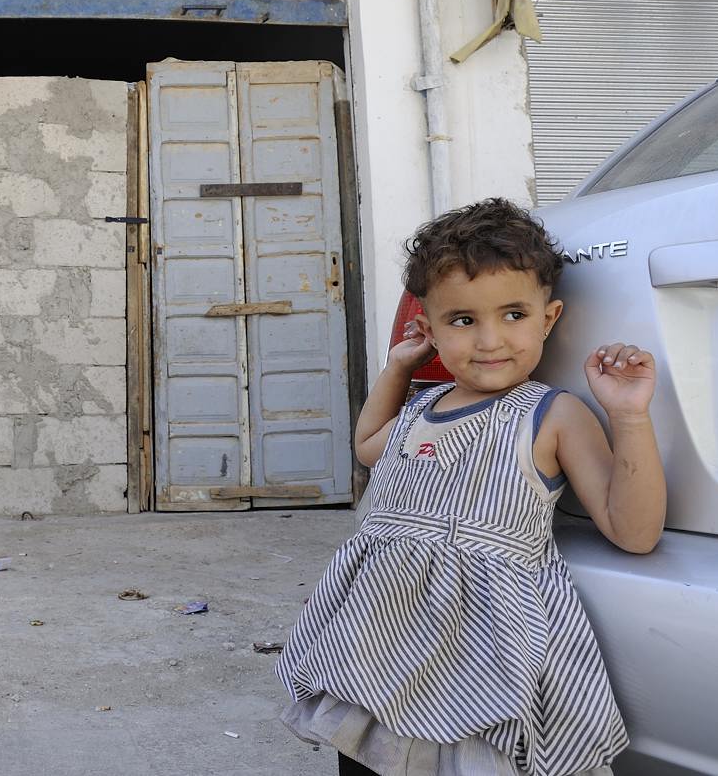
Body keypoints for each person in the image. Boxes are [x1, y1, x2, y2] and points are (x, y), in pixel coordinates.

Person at [275, 197, 666, 776]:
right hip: (379, 642)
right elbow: (368, 447)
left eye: (513, 315)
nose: (489, 341)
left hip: (479, 654)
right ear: (429, 328)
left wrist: (629, 417)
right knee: (366, 751)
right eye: (462, 320)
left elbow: (633, 532)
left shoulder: (550, 415)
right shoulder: (423, 406)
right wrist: (398, 368)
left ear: (549, 318)